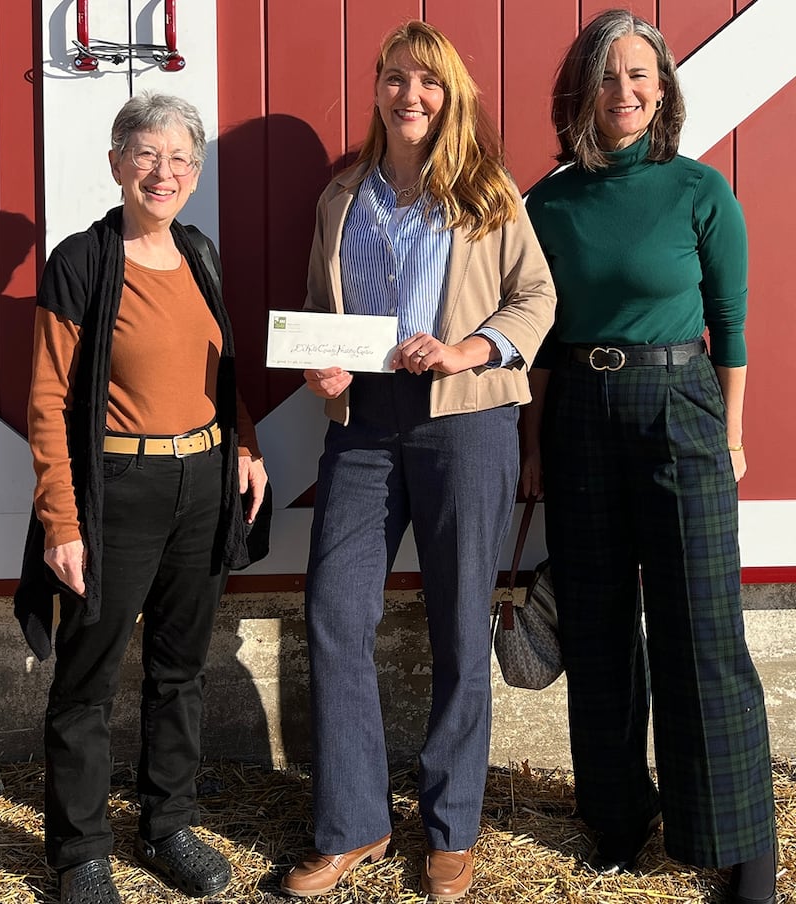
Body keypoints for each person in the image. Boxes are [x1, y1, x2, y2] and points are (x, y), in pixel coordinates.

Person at [278, 19, 555, 903]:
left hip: (465, 421)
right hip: (363, 424)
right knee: (333, 610)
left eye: (428, 81)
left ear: (452, 94)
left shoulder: (487, 193)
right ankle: (353, 823)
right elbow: (324, 309)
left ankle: (452, 825)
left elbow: (536, 296)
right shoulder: (343, 196)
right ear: (376, 87)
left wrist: (472, 351)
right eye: (395, 77)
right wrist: (323, 370)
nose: (410, 95)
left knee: (459, 623)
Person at [522, 10, 777, 904]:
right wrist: (529, 447)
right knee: (595, 627)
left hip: (680, 408)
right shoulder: (547, 202)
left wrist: (735, 433)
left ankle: (740, 844)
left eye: (640, 75)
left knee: (702, 627)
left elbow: (735, 330)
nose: (624, 91)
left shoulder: (701, 190)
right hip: (580, 414)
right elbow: (541, 337)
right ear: (581, 90)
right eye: (607, 75)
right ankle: (618, 818)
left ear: (663, 88)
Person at [14, 92, 268, 904]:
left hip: (201, 484)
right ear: (118, 162)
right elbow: (47, 400)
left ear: (196, 173)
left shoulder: (201, 252)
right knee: (87, 676)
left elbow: (220, 372)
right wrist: (61, 520)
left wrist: (247, 444)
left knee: (180, 669)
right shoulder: (81, 261)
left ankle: (167, 826)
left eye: (180, 159)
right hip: (117, 490)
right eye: (147, 154)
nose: (164, 172)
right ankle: (79, 851)